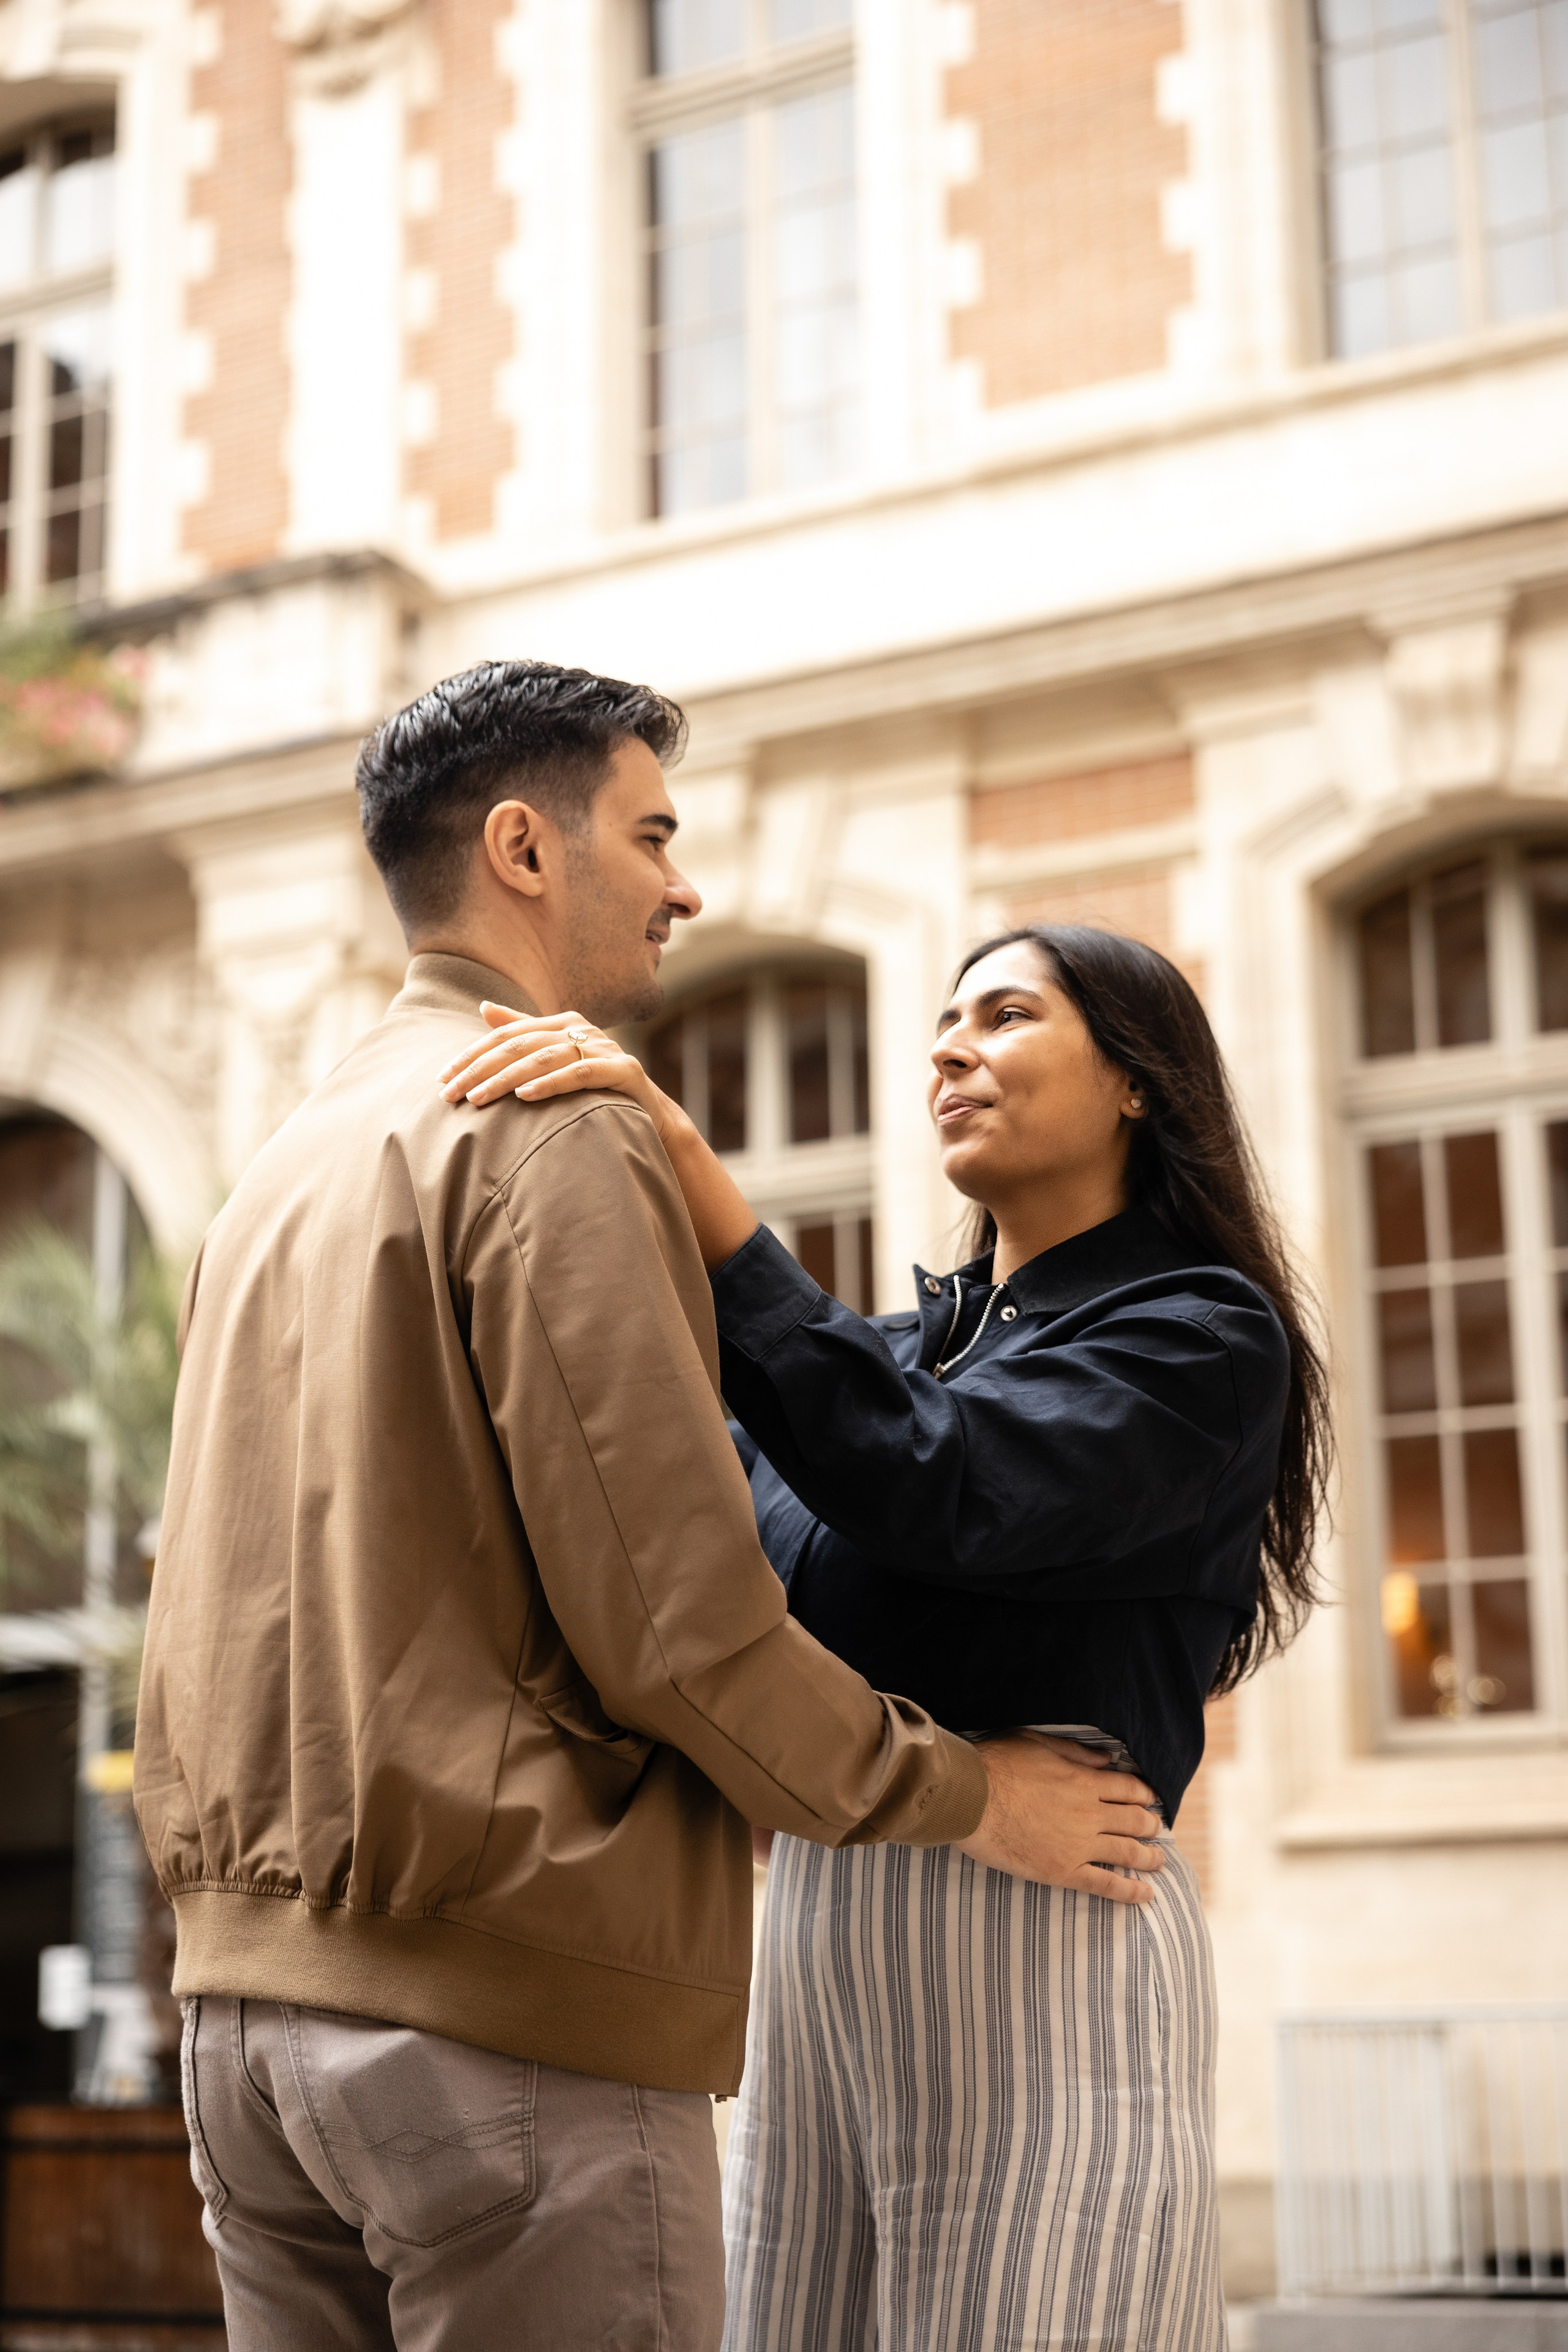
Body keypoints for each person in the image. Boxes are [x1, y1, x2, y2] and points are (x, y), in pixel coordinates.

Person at [132, 662, 1167, 2352]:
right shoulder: (552, 1126)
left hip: (247, 2048)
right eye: (656, 836)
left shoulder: (285, 1158)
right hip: (502, 2041)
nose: (686, 886)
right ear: (527, 852)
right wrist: (970, 1793)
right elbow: (679, 1634)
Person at [439, 917, 1332, 2352]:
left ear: (1134, 1082)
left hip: (1047, 1929)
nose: (946, 1048)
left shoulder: (1198, 1334)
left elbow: (945, 1485)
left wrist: (687, 1167)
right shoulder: (897, 1358)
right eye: (942, 1021)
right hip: (818, 1928)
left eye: (1003, 1016)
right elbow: (717, 1588)